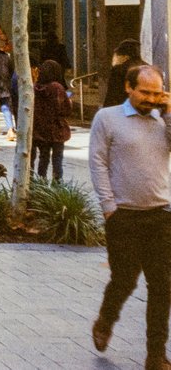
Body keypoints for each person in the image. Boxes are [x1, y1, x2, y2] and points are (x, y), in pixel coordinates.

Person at [89, 64, 171, 370]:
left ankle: (155, 354)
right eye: (145, 92)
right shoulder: (107, 118)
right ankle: (106, 319)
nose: (151, 99)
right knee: (124, 280)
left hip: (161, 214)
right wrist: (108, 206)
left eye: (156, 92)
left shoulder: (165, 120)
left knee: (162, 286)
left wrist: (169, 112)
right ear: (128, 87)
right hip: (123, 216)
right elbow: (97, 162)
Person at [31, 59, 72, 180]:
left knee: (43, 158)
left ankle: (41, 182)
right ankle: (57, 183)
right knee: (57, 159)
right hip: (56, 129)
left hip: (41, 130)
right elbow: (65, 110)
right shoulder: (57, 88)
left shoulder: (35, 88)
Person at [103, 39, 146, 108]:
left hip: (124, 109)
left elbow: (112, 95)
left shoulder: (118, 69)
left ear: (123, 55)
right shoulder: (148, 67)